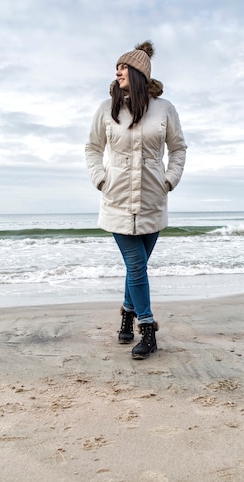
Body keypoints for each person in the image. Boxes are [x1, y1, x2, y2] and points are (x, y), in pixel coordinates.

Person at [85, 41, 187, 359]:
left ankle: (127, 316)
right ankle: (147, 329)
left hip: (152, 201)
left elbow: (179, 148)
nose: (118, 71)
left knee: (136, 268)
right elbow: (92, 147)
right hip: (116, 200)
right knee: (137, 265)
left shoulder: (164, 109)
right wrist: (100, 179)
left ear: (140, 73)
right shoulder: (107, 108)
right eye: (117, 67)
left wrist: (169, 180)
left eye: (124, 66)